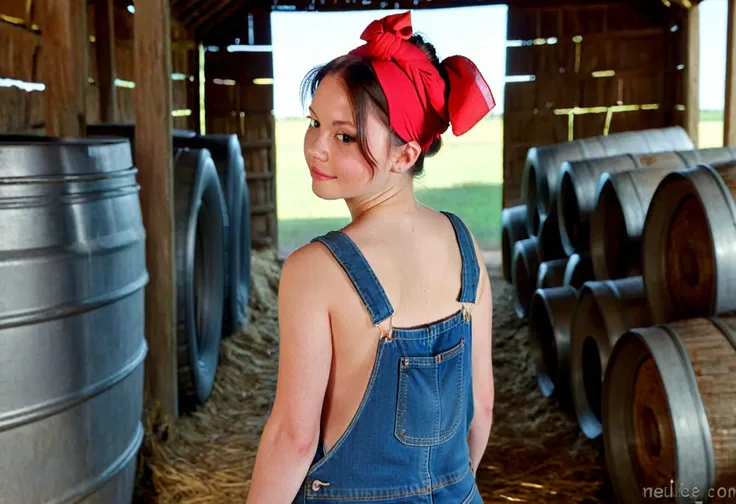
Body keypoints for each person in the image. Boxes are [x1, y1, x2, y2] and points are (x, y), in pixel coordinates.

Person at [246, 11, 495, 503]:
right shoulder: (464, 244)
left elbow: (292, 440)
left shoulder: (313, 271)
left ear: (406, 155)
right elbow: (481, 410)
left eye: (344, 136)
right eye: (314, 122)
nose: (316, 147)